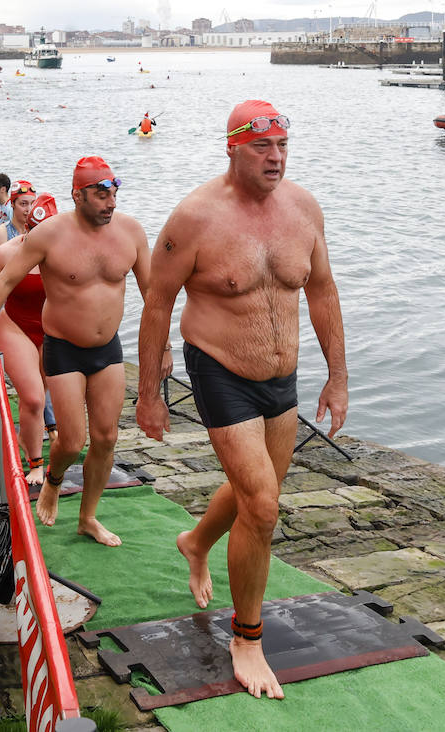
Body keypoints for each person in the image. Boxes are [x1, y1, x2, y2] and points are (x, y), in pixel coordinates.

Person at [135, 100, 348, 699]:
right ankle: (247, 637)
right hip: (220, 368)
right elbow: (157, 303)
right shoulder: (196, 218)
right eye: (262, 147)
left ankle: (196, 542)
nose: (276, 157)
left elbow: (323, 291)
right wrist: (148, 394)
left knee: (261, 492)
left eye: (282, 145)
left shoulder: (303, 209)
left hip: (282, 376)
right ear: (232, 147)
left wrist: (339, 377)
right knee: (262, 506)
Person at [0, 157, 152, 547]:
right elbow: (2, 282)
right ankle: (52, 480)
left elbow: (152, 293)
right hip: (63, 347)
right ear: (78, 195)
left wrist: (163, 346)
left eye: (114, 193)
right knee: (72, 441)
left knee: (106, 438)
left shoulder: (131, 232)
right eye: (101, 194)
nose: (111, 202)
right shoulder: (49, 235)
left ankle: (88, 517)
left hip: (107, 347)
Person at [0, 193, 59, 484]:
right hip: (16, 327)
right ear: (25, 227)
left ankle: (29, 439)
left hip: (53, 331)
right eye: (32, 232)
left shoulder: (68, 253)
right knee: (34, 398)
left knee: (43, 396)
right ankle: (35, 464)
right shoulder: (7, 253)